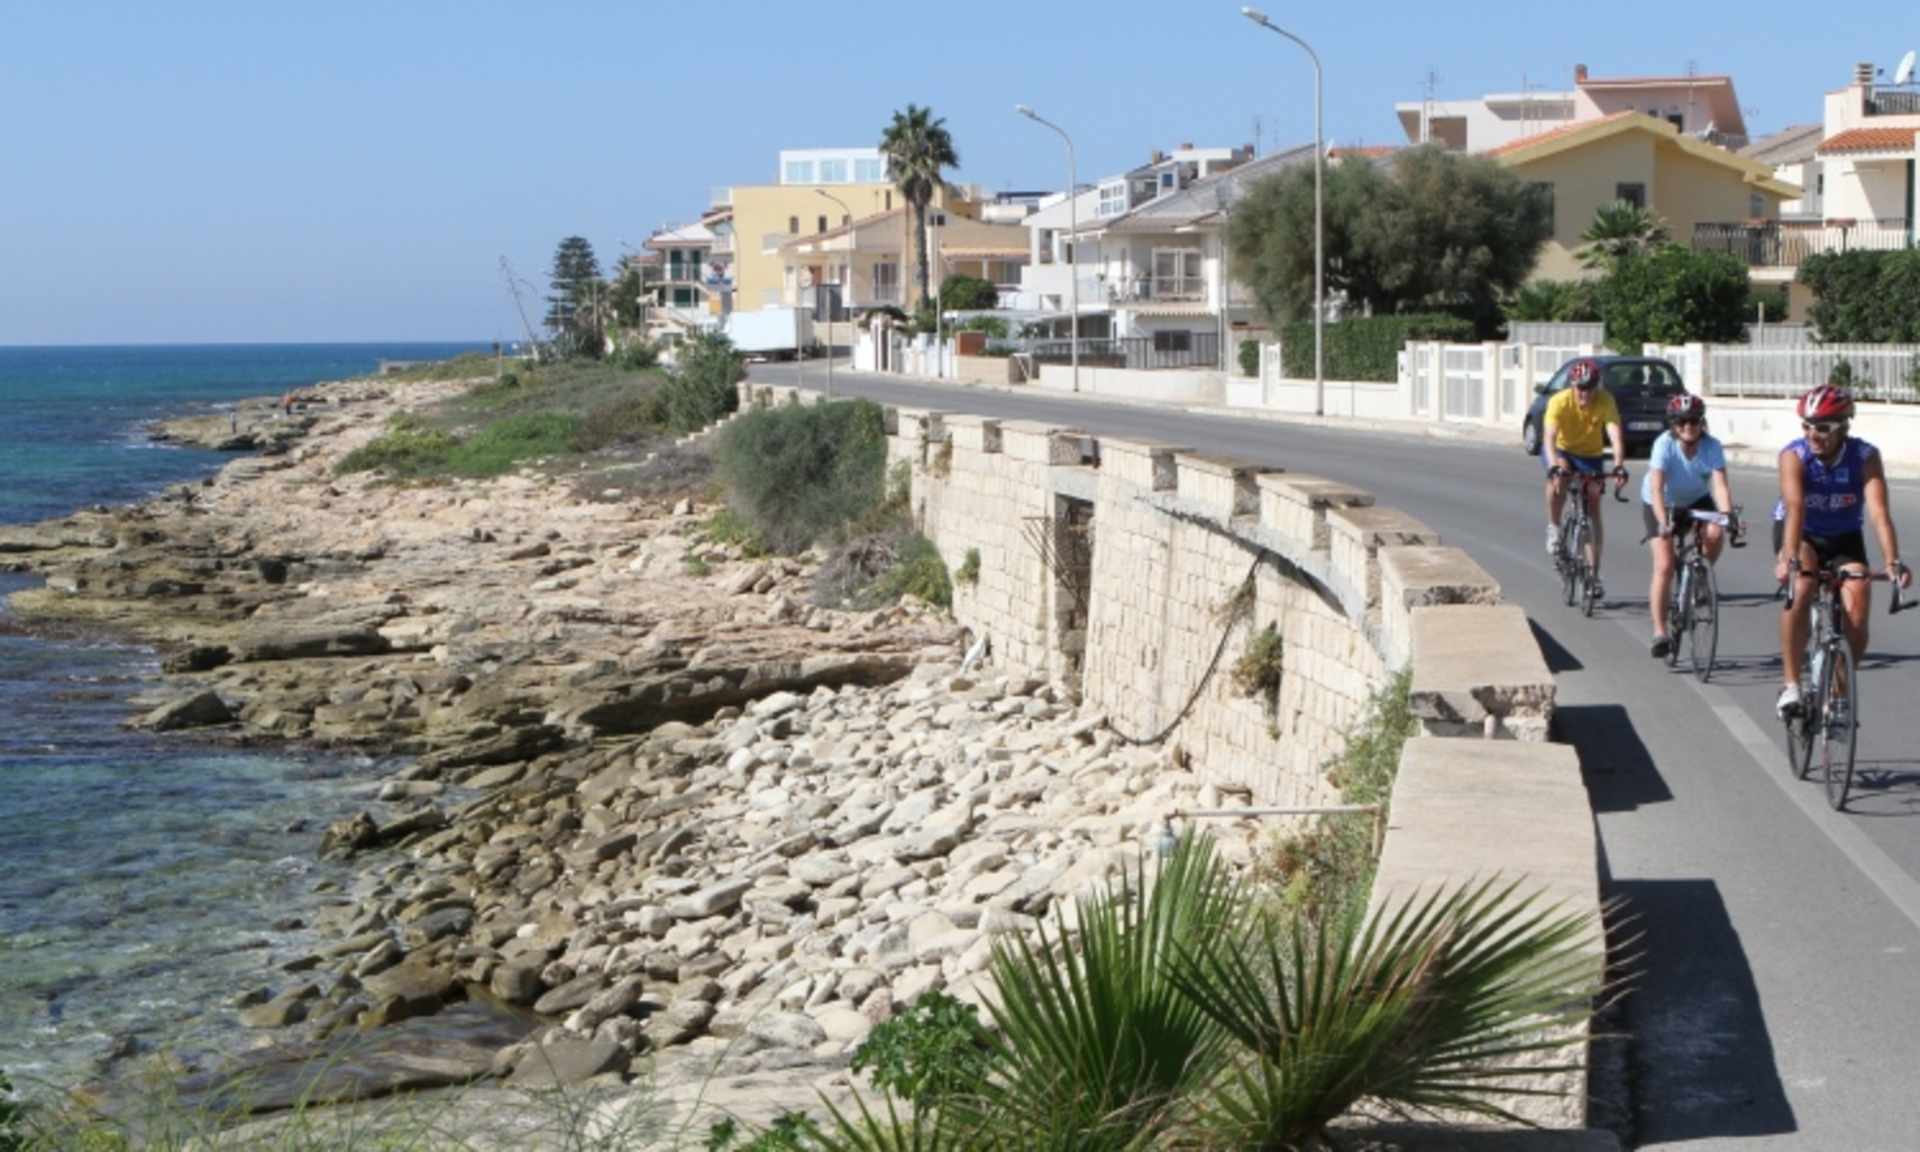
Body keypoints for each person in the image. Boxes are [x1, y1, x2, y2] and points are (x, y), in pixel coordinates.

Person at [1774, 383, 1911, 722]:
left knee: (1859, 607)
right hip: (1801, 532)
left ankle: (1838, 692)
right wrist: (1789, 557)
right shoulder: (1794, 455)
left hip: (1844, 535)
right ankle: (1791, 684)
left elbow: (1879, 513)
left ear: (1843, 426)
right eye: (1806, 426)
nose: (1811, 434)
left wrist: (1892, 561)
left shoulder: (1864, 457)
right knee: (1802, 588)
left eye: (1821, 427)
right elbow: (1794, 507)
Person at [1642, 393, 1736, 658]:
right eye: (1682, 422)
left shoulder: (1712, 446)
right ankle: (1660, 632)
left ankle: (1699, 575)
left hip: (1696, 499)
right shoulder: (1664, 445)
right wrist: (1663, 523)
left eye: (1694, 421)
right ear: (1673, 424)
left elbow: (1719, 485)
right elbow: (1657, 488)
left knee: (1716, 530)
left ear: (1701, 422)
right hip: (1661, 503)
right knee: (1664, 566)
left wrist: (1727, 515)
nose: (1689, 427)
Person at [1543, 359, 1628, 600]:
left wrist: (1619, 466)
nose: (1585, 393)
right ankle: (1554, 527)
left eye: (1590, 388)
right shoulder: (1559, 401)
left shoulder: (1605, 400)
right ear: (1572, 386)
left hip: (1590, 456)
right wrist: (1552, 467)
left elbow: (1615, 435)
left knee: (1593, 505)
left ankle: (1593, 576)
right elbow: (1549, 436)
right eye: (1580, 388)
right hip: (1562, 451)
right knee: (1559, 477)